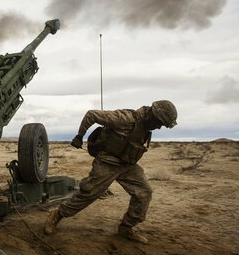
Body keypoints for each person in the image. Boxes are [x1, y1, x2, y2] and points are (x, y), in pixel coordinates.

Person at [43, 100, 178, 244]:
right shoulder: (125, 118)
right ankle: (57, 214)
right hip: (107, 163)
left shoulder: (145, 126)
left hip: (127, 166)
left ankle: (126, 228)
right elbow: (91, 115)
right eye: (159, 122)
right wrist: (79, 136)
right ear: (152, 115)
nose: (158, 127)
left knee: (144, 192)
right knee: (89, 193)